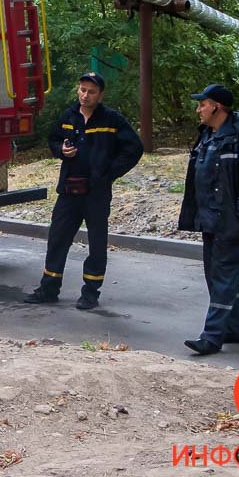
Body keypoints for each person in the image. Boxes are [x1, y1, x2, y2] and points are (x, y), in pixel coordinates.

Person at [25, 72, 144, 310]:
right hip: (69, 190)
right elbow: (53, 139)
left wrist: (109, 174)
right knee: (58, 238)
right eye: (81, 89)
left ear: (100, 95)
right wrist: (61, 150)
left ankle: (90, 293)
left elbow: (134, 148)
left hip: (96, 193)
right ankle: (49, 288)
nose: (84, 95)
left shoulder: (112, 120)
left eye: (90, 91)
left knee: (96, 242)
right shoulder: (68, 116)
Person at [179, 84, 239, 355]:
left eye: (203, 104)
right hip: (210, 218)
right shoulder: (208, 135)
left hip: (229, 221)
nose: (198, 109)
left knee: (222, 276)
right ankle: (234, 329)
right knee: (216, 275)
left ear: (216, 107)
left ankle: (211, 338)